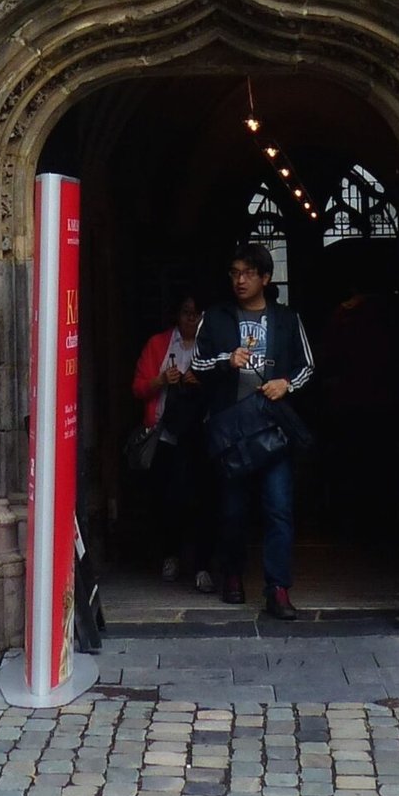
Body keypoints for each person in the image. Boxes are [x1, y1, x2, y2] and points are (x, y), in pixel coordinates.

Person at [192, 243, 313, 620]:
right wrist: (225, 361)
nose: (240, 280)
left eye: (247, 273)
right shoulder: (215, 318)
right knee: (233, 510)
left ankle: (277, 589)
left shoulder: (287, 319)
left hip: (273, 431)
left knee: (278, 509)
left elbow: (307, 366)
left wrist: (286, 385)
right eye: (234, 273)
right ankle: (232, 575)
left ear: (265, 278)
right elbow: (196, 363)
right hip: (233, 433)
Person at [130, 292, 212, 591]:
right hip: (165, 435)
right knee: (167, 501)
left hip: (201, 434)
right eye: (186, 312)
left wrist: (200, 381)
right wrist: (162, 380)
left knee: (202, 501)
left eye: (197, 313)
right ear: (177, 315)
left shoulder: (211, 344)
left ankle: (203, 565)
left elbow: (227, 385)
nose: (191, 318)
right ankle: (170, 555)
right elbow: (138, 388)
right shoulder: (158, 344)